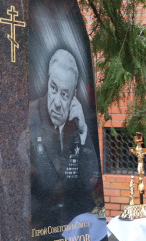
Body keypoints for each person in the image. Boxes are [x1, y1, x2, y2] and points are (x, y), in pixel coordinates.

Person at [30, 49, 99, 228]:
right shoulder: (31, 116)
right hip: (42, 221)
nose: (58, 102)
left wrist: (83, 132)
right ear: (47, 84)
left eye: (65, 94)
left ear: (74, 95)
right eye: (54, 89)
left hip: (75, 219)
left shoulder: (78, 123)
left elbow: (91, 178)